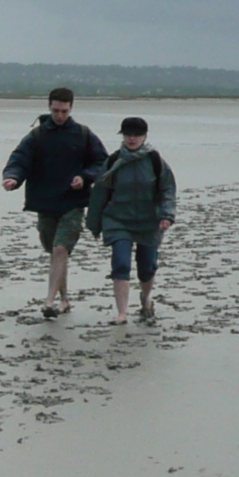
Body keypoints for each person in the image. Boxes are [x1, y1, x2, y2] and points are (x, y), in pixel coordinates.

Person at [1, 86, 109, 316]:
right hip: (45, 203)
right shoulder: (37, 136)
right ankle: (65, 300)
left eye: (64, 111)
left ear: (71, 109)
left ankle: (49, 303)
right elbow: (20, 160)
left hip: (73, 203)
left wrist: (85, 176)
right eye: (56, 110)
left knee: (61, 250)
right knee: (55, 254)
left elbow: (102, 162)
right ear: (49, 107)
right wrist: (12, 178)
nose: (60, 115)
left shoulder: (83, 134)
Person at [86, 116, 177, 325]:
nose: (132, 139)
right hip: (118, 220)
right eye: (128, 134)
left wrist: (167, 216)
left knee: (147, 267)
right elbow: (99, 193)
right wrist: (93, 223)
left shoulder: (155, 161)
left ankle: (146, 300)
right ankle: (122, 313)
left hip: (149, 221)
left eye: (136, 135)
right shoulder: (113, 161)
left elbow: (168, 190)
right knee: (120, 263)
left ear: (144, 136)